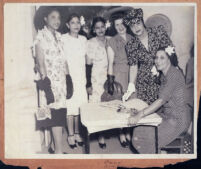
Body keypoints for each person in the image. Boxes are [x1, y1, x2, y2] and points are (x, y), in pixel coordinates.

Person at [128, 46, 191, 153]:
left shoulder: (173, 74)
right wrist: (142, 112)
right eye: (156, 58)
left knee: (143, 138)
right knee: (139, 130)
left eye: (162, 58)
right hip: (167, 116)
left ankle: (156, 157)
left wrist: (140, 114)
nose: (157, 61)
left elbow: (161, 100)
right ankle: (159, 153)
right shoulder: (164, 75)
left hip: (178, 120)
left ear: (169, 59)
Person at [33, 7, 73, 154]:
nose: (57, 21)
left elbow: (64, 60)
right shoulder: (40, 37)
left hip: (61, 82)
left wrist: (68, 79)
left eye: (58, 18)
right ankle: (59, 152)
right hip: (49, 83)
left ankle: (54, 147)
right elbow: (40, 62)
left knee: (60, 113)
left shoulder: (59, 36)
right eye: (53, 17)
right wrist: (46, 85)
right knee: (55, 116)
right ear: (45, 18)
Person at [122, 8, 173, 105]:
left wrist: (160, 66)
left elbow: (170, 51)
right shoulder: (130, 45)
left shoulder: (158, 32)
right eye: (132, 26)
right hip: (145, 83)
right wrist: (131, 85)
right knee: (148, 113)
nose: (136, 28)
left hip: (165, 76)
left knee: (167, 109)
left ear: (142, 21)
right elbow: (133, 66)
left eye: (138, 23)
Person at [106, 11, 133, 148]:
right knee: (121, 105)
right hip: (119, 74)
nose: (120, 27)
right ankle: (121, 133)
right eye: (117, 25)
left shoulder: (132, 38)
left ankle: (128, 131)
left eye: (122, 23)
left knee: (131, 104)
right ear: (114, 27)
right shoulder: (111, 41)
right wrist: (110, 81)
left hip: (132, 74)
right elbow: (110, 62)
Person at [62, 14, 88, 149]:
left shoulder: (84, 39)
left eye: (78, 22)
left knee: (79, 108)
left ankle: (78, 133)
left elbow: (87, 59)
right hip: (69, 78)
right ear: (67, 25)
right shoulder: (63, 39)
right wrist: (67, 78)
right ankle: (70, 135)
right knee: (70, 108)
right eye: (72, 23)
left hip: (81, 79)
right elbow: (63, 60)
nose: (76, 25)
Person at [86, 17, 110, 149]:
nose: (100, 29)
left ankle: (113, 132)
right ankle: (101, 136)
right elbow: (88, 65)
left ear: (105, 27)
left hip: (109, 79)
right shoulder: (91, 43)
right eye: (97, 27)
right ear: (94, 30)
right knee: (98, 108)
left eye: (102, 26)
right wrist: (88, 84)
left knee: (110, 106)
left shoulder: (111, 40)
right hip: (96, 80)